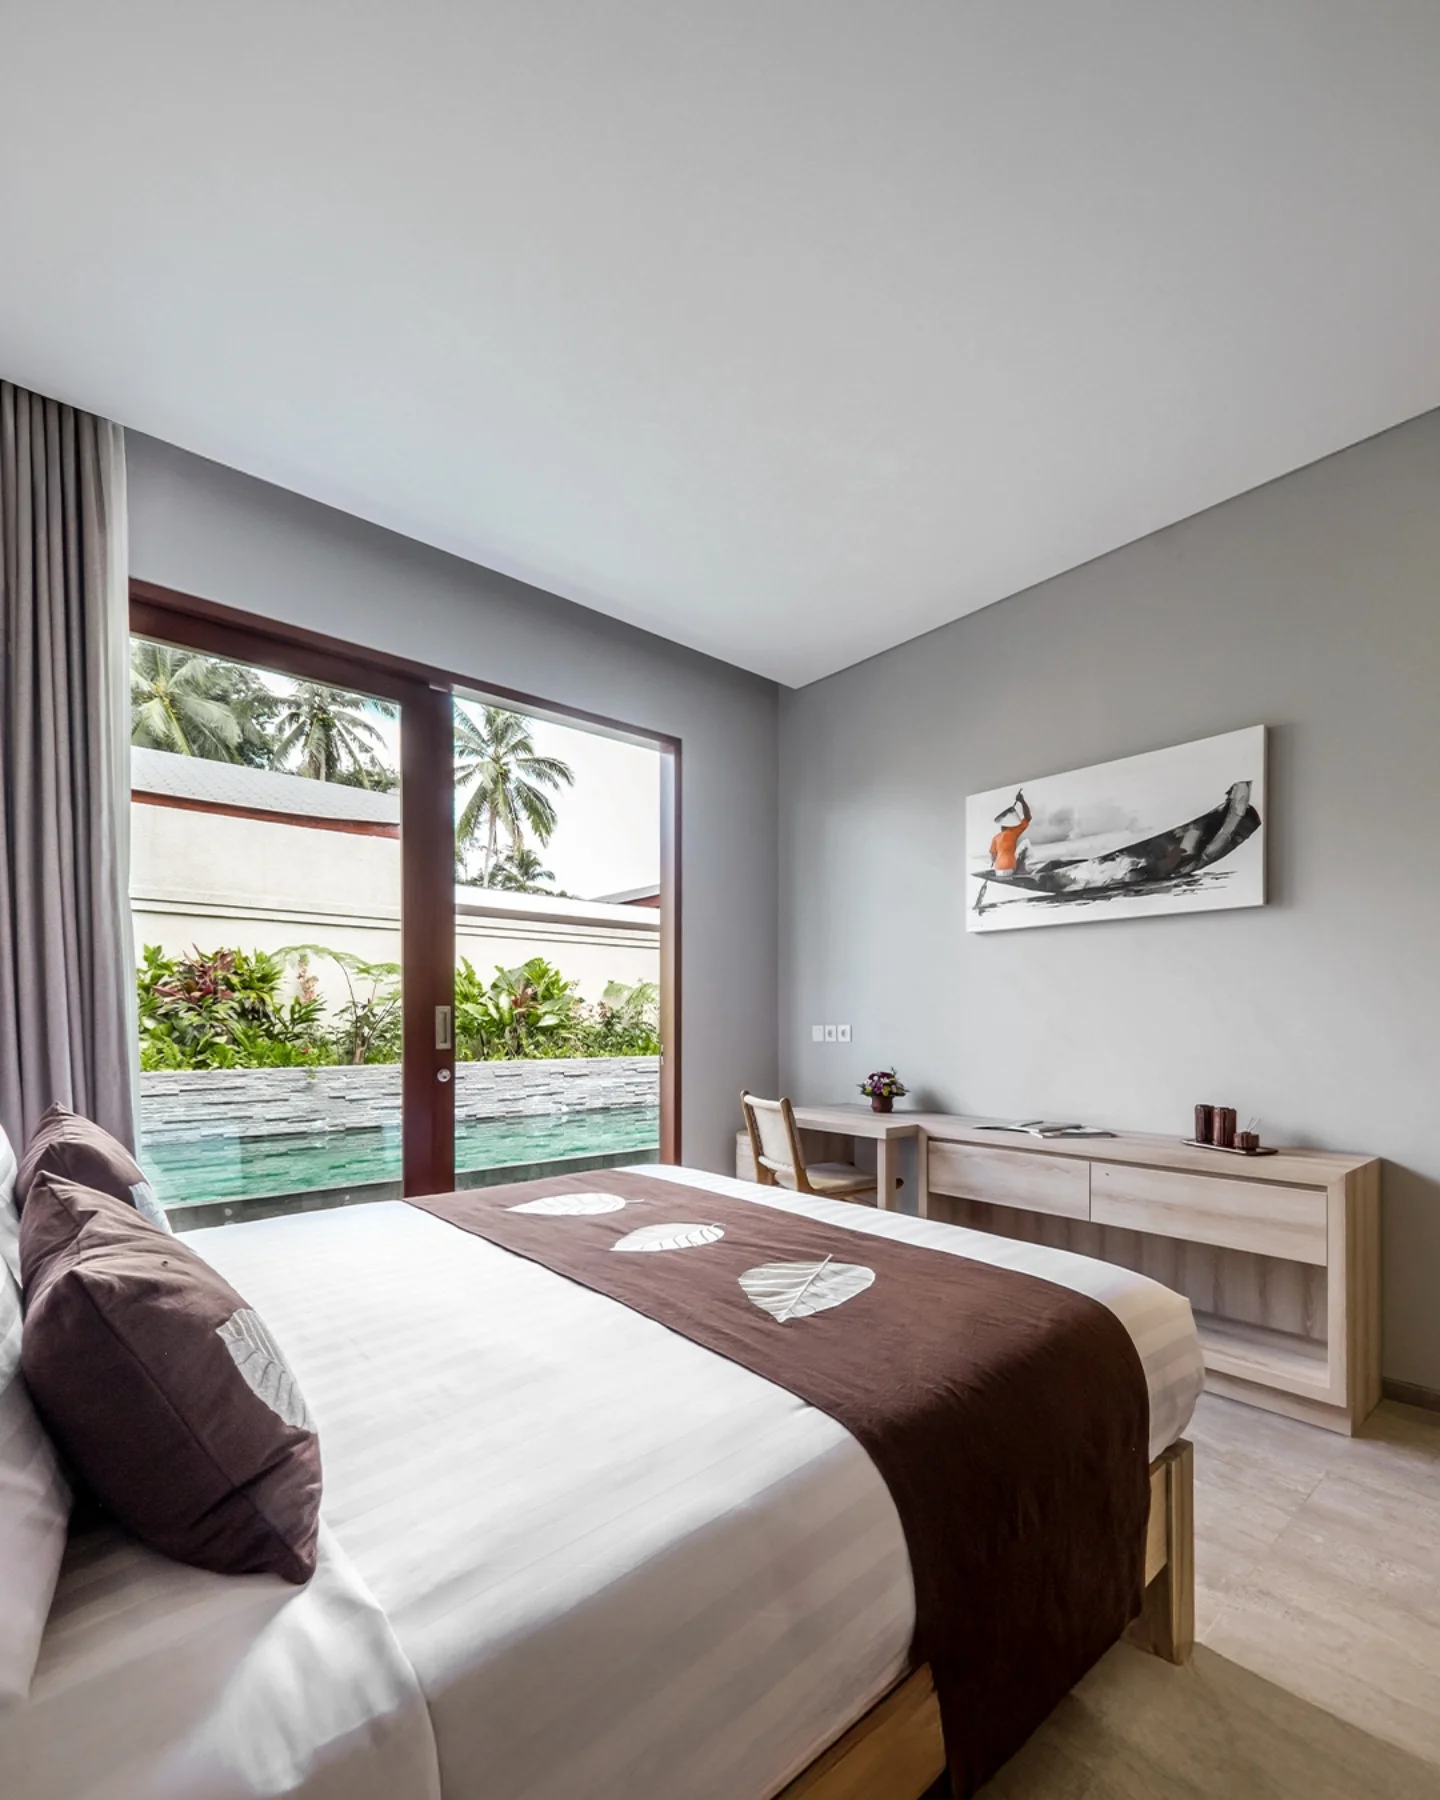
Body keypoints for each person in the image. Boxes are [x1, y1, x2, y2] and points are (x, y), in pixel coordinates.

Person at [989, 789, 1031, 875]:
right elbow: (1028, 817)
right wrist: (1022, 801)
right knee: (1025, 846)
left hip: (998, 870)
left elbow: (993, 856)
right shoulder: (1012, 832)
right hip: (1009, 868)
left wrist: (994, 862)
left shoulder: (995, 837)